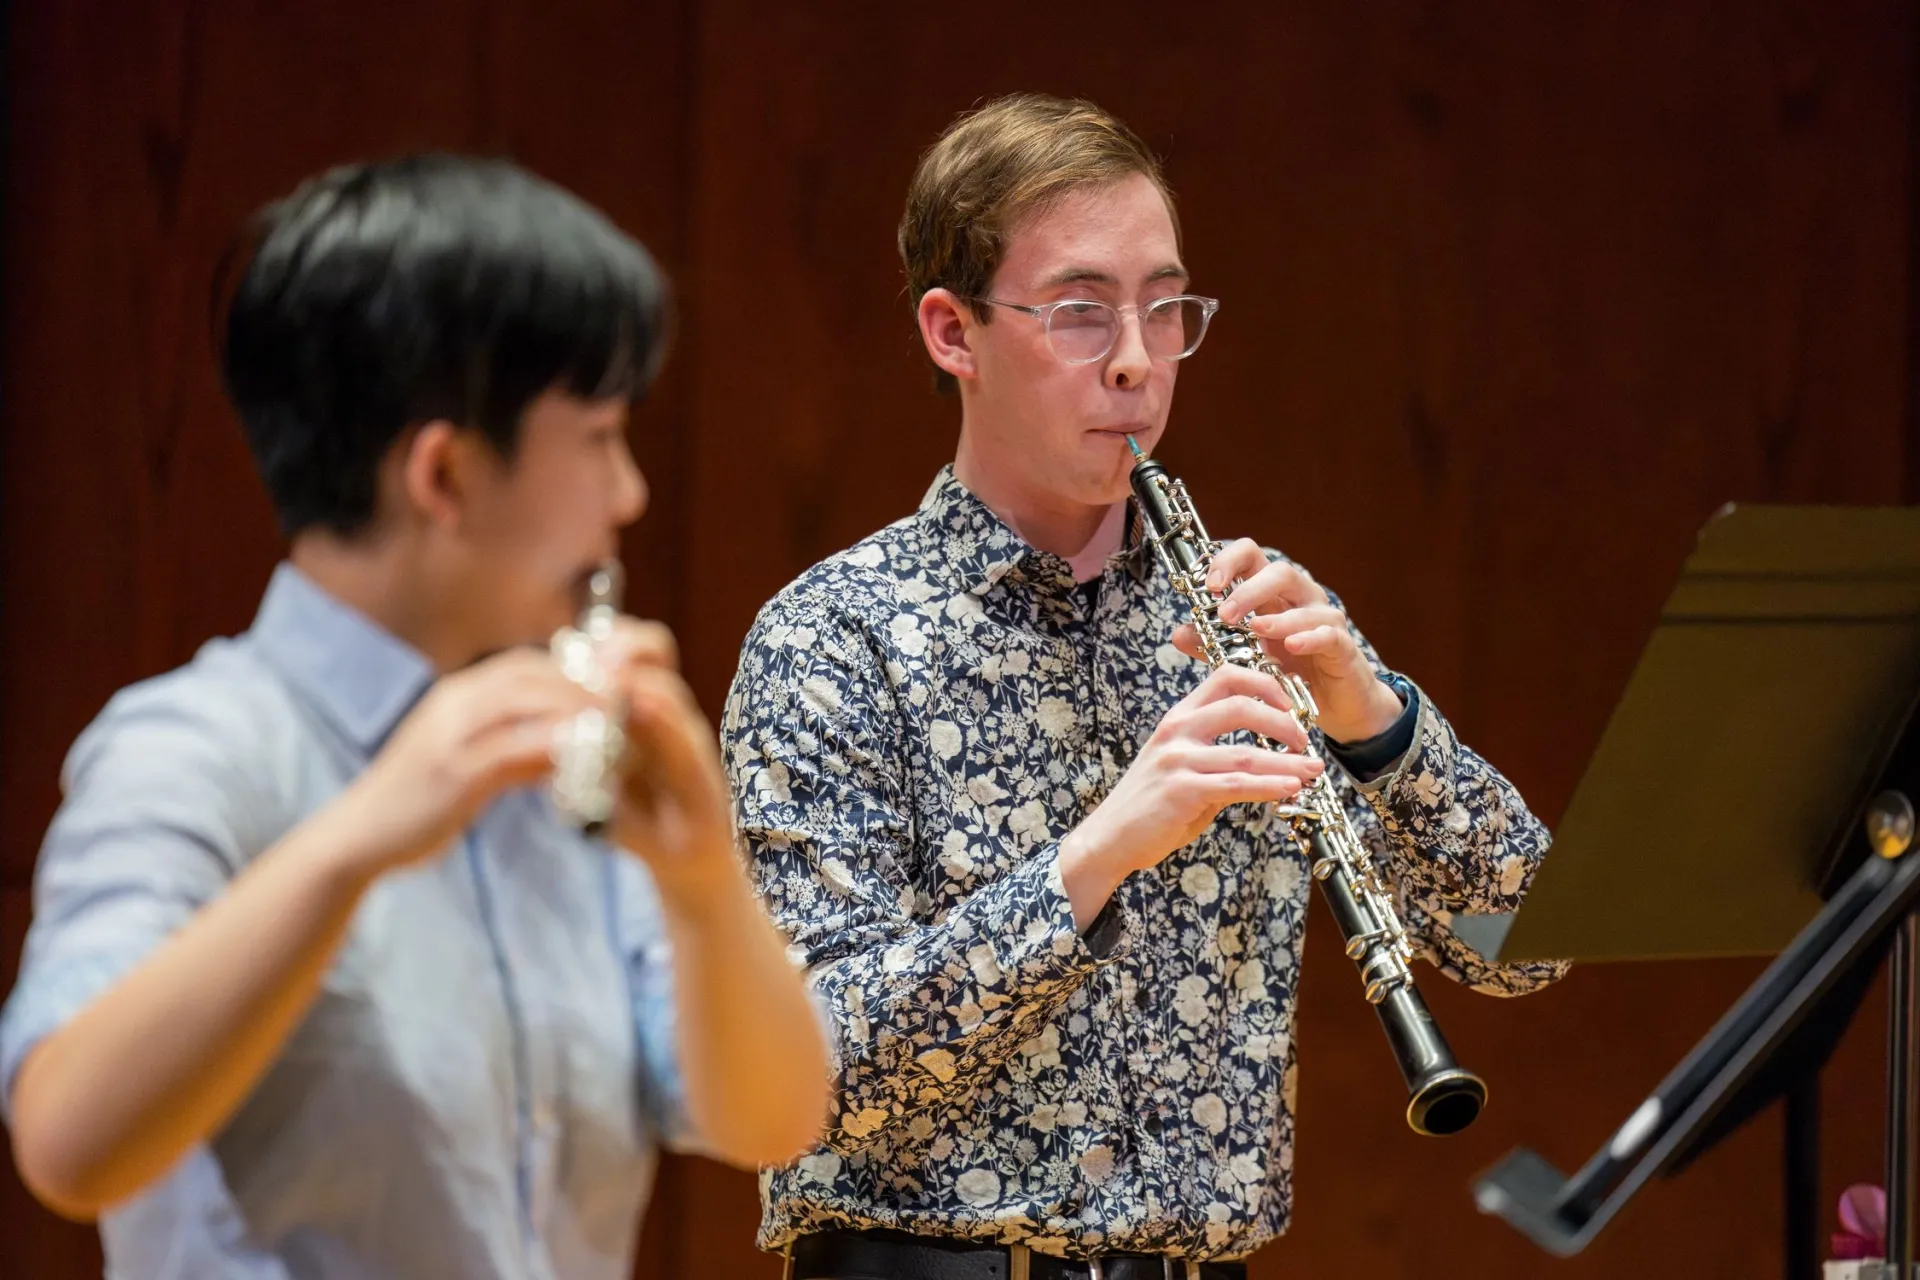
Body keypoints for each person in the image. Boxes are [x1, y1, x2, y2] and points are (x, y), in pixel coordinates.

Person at [721, 94, 1567, 1278]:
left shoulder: (1245, 632)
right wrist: (1101, 851)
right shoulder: (833, 638)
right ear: (951, 332)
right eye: (1078, 312)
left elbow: (1520, 944)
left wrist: (1371, 720)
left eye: (1164, 309)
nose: (1134, 357)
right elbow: (802, 1073)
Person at [0, 154, 829, 1280]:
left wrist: (701, 888)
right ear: (442, 474)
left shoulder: (558, 754)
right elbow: (65, 1142)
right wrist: (356, 839)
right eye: (596, 437)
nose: (629, 492)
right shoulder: (188, 751)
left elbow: (773, 1123)